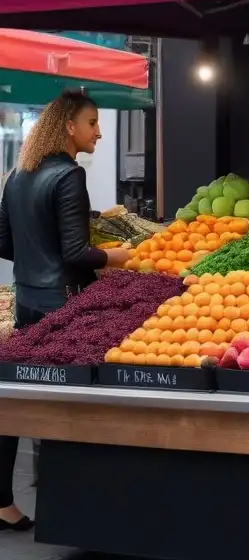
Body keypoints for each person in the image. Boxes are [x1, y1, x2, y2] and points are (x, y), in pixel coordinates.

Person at [0, 90, 131, 531]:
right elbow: (76, 251)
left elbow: (3, 242)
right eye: (92, 123)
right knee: (72, 407)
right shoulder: (69, 175)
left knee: (16, 404)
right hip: (65, 306)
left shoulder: (19, 173)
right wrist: (118, 258)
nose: (99, 131)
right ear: (69, 128)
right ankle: (78, 512)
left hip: (27, 301)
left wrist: (36, 255)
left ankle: (2, 503)